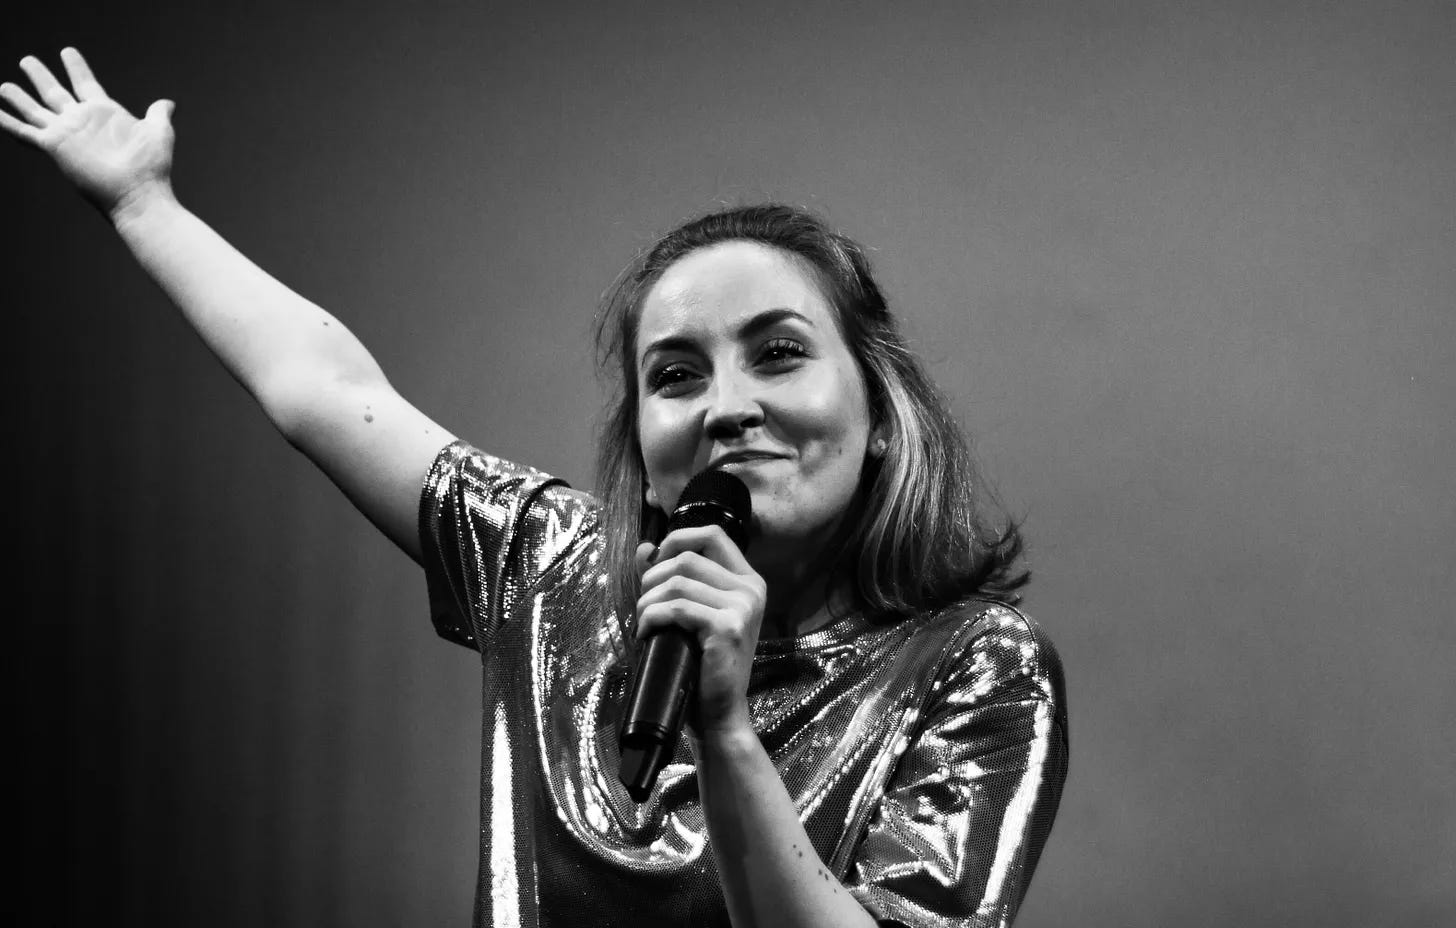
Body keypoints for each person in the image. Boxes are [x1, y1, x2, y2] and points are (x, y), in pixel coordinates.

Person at [2, 49, 1068, 928]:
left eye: (779, 353)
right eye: (676, 376)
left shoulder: (975, 664)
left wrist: (725, 729)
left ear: (879, 410)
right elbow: (328, 390)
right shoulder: (553, 570)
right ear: (643, 441)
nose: (726, 407)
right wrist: (142, 204)